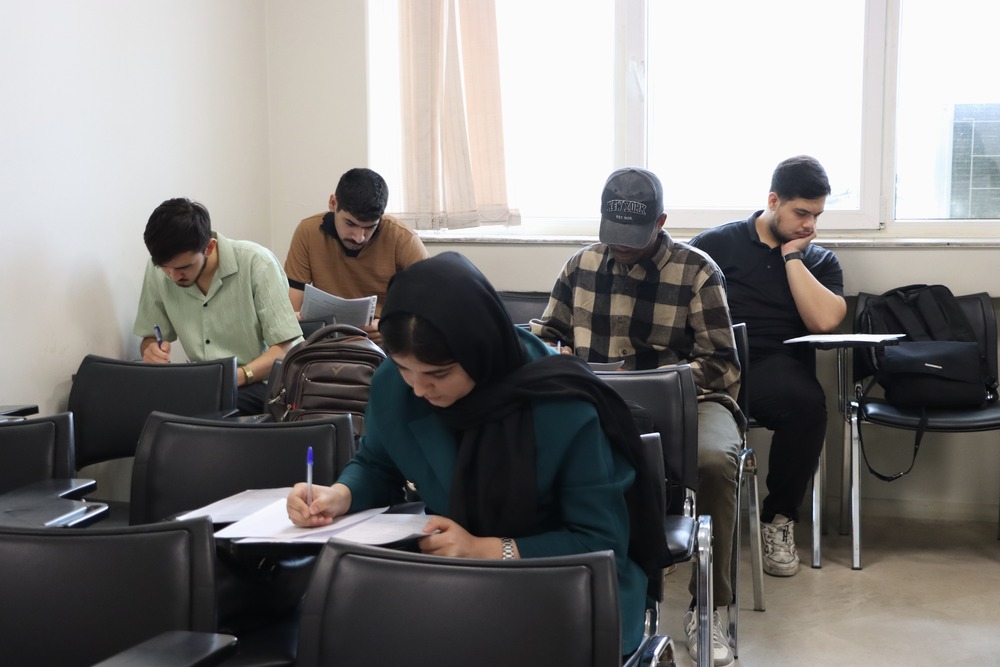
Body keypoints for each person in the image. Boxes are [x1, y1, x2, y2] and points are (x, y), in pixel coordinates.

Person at [286, 252, 667, 656]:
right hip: (451, 575)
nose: (419, 389)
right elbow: (378, 463)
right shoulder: (395, 386)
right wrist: (340, 495)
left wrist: (485, 549)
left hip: (562, 586)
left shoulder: (561, 403)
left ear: (479, 350)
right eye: (403, 369)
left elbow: (599, 542)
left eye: (438, 374)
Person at [530, 167, 743, 666]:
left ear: (661, 221)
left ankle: (709, 605)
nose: (621, 246)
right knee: (540, 450)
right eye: (614, 234)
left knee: (714, 462)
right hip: (597, 402)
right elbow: (543, 336)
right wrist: (555, 356)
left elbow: (722, 364)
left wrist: (658, 379)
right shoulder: (581, 265)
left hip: (690, 401)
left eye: (634, 236)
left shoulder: (697, 271)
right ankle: (564, 590)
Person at [689, 155, 846, 580]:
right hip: (714, 361)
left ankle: (778, 519)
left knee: (808, 406)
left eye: (817, 215)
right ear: (773, 201)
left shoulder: (820, 261)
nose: (809, 225)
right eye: (801, 213)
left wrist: (793, 258)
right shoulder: (715, 245)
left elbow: (825, 321)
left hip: (773, 367)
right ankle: (673, 524)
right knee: (661, 396)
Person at [134, 197, 303, 416]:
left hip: (261, 383)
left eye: (184, 267)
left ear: (209, 247)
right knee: (136, 403)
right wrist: (151, 352)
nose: (173, 276)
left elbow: (287, 349)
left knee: (198, 409)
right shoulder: (159, 270)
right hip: (202, 385)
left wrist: (237, 376)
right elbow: (150, 338)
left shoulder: (257, 263)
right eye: (165, 268)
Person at [283, 167, 429, 344]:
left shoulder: (403, 238)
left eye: (370, 227)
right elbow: (292, 310)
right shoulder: (308, 231)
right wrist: (297, 320)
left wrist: (392, 327)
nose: (359, 237)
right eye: (350, 224)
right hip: (325, 341)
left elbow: (432, 304)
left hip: (383, 344)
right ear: (333, 203)